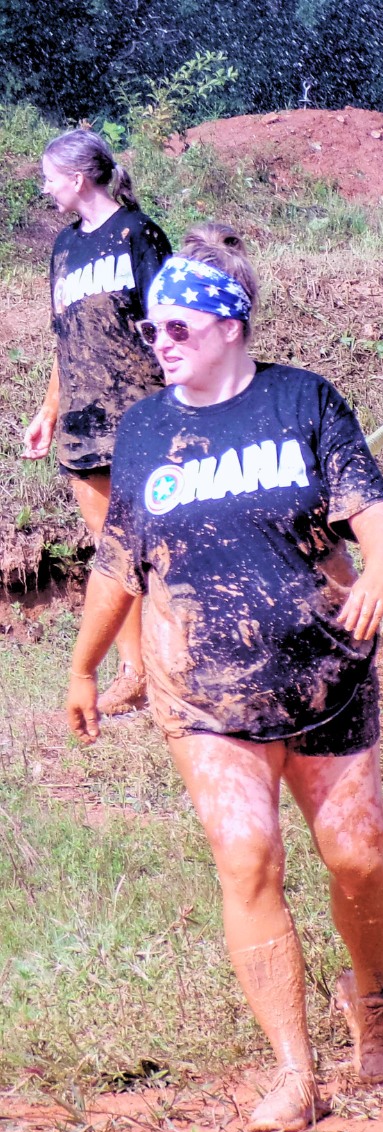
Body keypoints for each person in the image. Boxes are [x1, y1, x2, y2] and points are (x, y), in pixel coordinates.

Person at [65, 225, 383, 1132]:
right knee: (247, 859)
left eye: (176, 328)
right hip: (202, 691)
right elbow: (118, 559)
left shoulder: (300, 401)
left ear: (230, 326)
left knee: (357, 858)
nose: (159, 344)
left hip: (323, 672)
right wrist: (84, 665)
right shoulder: (144, 430)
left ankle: (371, 996)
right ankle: (296, 1072)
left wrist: (379, 569)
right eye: (150, 332)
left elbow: (370, 505)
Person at [22, 130, 172, 715]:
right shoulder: (63, 247)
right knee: (112, 554)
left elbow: (171, 323)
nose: (45, 187)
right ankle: (134, 674)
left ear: (78, 178)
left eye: (50, 177)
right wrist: (49, 409)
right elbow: (66, 340)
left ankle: (186, 660)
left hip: (143, 417)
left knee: (166, 544)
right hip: (83, 421)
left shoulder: (138, 234)